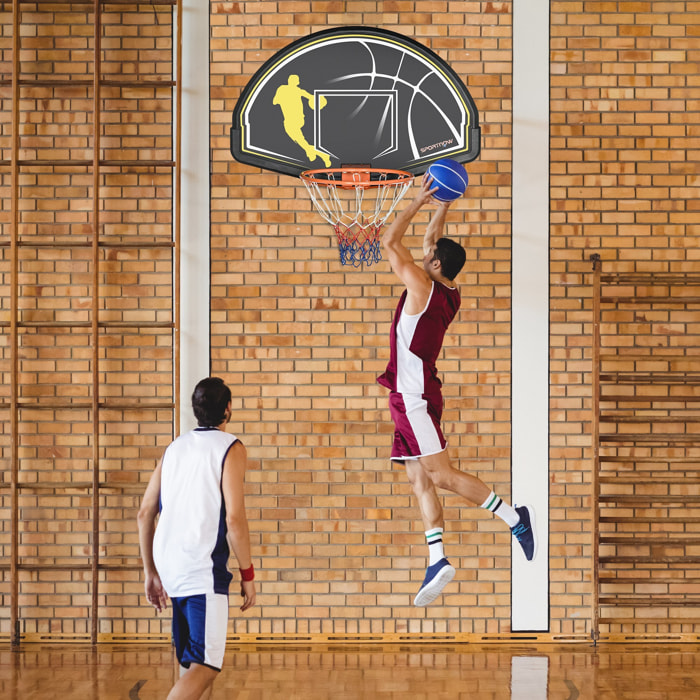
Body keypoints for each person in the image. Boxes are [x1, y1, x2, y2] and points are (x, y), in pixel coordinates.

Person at [377, 175, 537, 607]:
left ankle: (513, 517)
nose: (424, 251)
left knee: (441, 475)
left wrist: (419, 199)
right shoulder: (448, 290)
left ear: (433, 263)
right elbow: (432, 239)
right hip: (410, 395)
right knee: (418, 478)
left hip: (413, 397)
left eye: (428, 253)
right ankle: (437, 558)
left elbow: (390, 241)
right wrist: (444, 202)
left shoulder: (422, 285)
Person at [137, 377, 256, 700]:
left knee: (192, 664)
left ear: (195, 409)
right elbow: (234, 518)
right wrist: (248, 574)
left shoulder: (173, 448)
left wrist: (150, 572)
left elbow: (145, 512)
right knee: (206, 664)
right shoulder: (230, 447)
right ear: (227, 409)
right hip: (201, 569)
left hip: (171, 568)